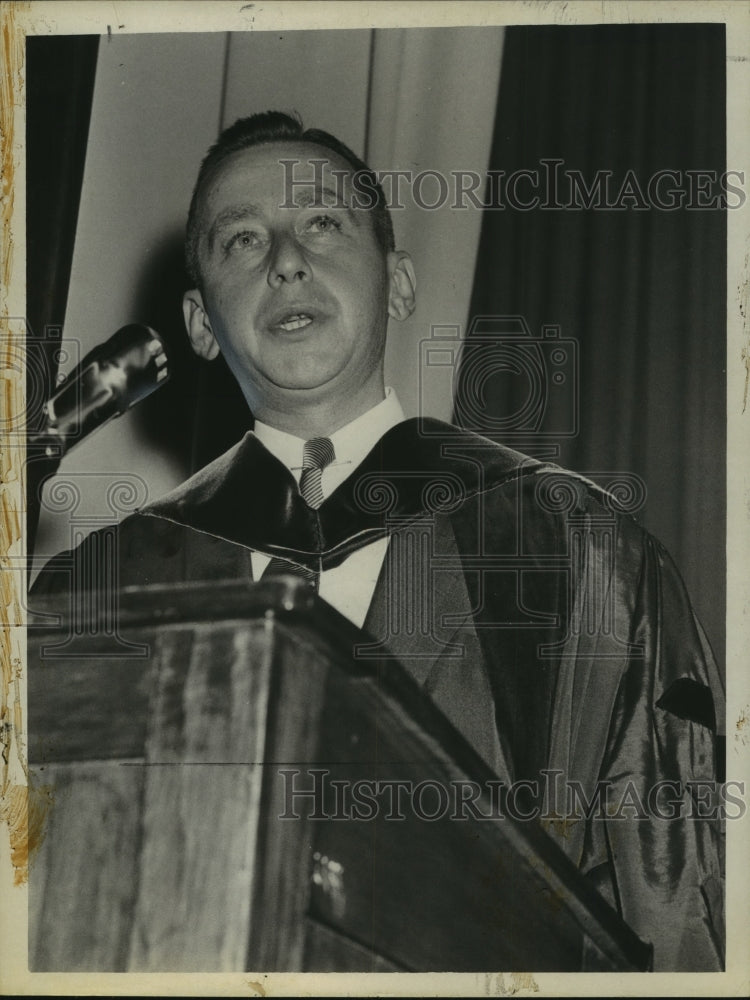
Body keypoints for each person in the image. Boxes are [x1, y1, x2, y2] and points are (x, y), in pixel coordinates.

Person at [31, 111, 724, 971]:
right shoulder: (92, 593)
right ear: (201, 323)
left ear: (398, 283)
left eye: (323, 223)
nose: (286, 258)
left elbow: (674, 903)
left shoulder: (579, 554)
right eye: (241, 241)